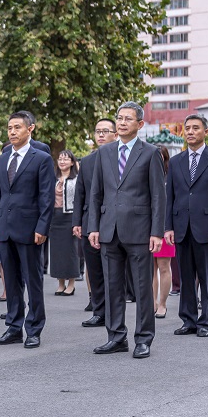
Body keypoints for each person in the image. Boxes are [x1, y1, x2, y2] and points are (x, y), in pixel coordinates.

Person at [88, 102, 165, 359]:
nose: (121, 123)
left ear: (139, 124)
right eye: (119, 118)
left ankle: (143, 338)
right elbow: (96, 192)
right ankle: (116, 336)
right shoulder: (105, 152)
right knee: (112, 287)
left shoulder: (150, 153)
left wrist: (156, 232)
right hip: (109, 229)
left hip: (140, 230)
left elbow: (158, 195)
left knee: (143, 288)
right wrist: (94, 228)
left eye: (128, 119)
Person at [0, 111, 55, 349]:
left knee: (33, 280)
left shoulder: (41, 158)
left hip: (30, 230)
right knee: (12, 282)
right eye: (9, 128)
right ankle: (13, 327)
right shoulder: (1, 159)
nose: (12, 132)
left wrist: (42, 227)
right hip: (4, 230)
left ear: (30, 129)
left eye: (17, 127)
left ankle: (34, 328)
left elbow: (46, 197)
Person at [164, 115, 208, 337]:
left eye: (195, 128)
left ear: (205, 131)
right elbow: (169, 196)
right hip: (181, 226)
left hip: (207, 227)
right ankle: (188, 320)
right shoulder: (175, 161)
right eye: (187, 128)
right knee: (185, 277)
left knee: (207, 277)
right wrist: (168, 227)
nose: (190, 132)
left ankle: (205, 322)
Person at [73, 118, 118, 326]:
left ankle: (114, 313)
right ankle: (99, 311)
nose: (100, 135)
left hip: (114, 223)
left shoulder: (121, 158)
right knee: (94, 270)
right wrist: (77, 222)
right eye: (98, 131)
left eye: (105, 131)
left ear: (115, 134)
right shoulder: (87, 161)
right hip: (89, 222)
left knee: (114, 271)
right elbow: (80, 193)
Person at [50, 150, 80, 296]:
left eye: (66, 159)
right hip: (55, 217)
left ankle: (72, 283)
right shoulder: (53, 178)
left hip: (70, 216)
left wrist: (78, 222)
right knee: (57, 252)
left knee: (71, 251)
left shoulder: (76, 179)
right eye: (60, 159)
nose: (62, 162)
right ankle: (60, 283)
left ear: (72, 162)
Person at [152, 145, 175, 320]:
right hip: (146, 227)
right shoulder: (147, 175)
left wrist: (169, 227)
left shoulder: (170, 175)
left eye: (160, 156)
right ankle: (152, 303)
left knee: (163, 267)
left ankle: (162, 304)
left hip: (165, 226)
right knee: (149, 269)